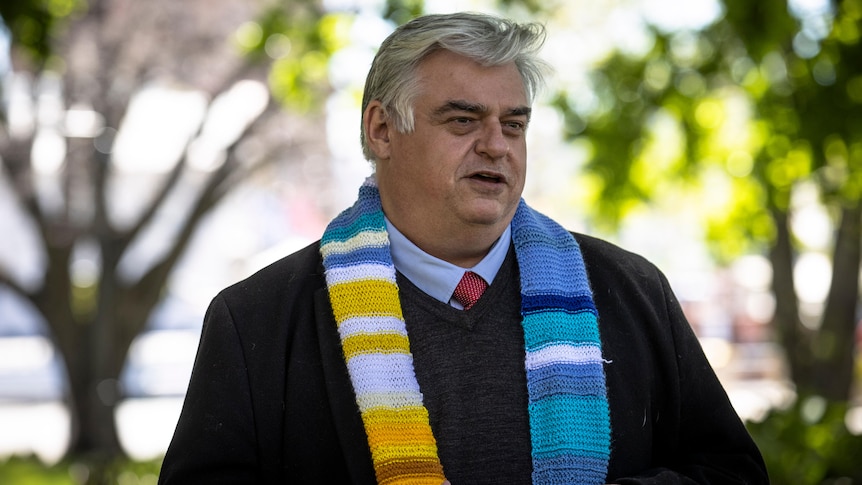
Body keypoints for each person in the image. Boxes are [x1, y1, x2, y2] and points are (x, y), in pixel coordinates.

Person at [158, 11, 768, 485]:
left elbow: (732, 471)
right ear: (380, 129)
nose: (496, 145)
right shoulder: (256, 321)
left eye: (514, 124)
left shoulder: (632, 292)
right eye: (462, 120)